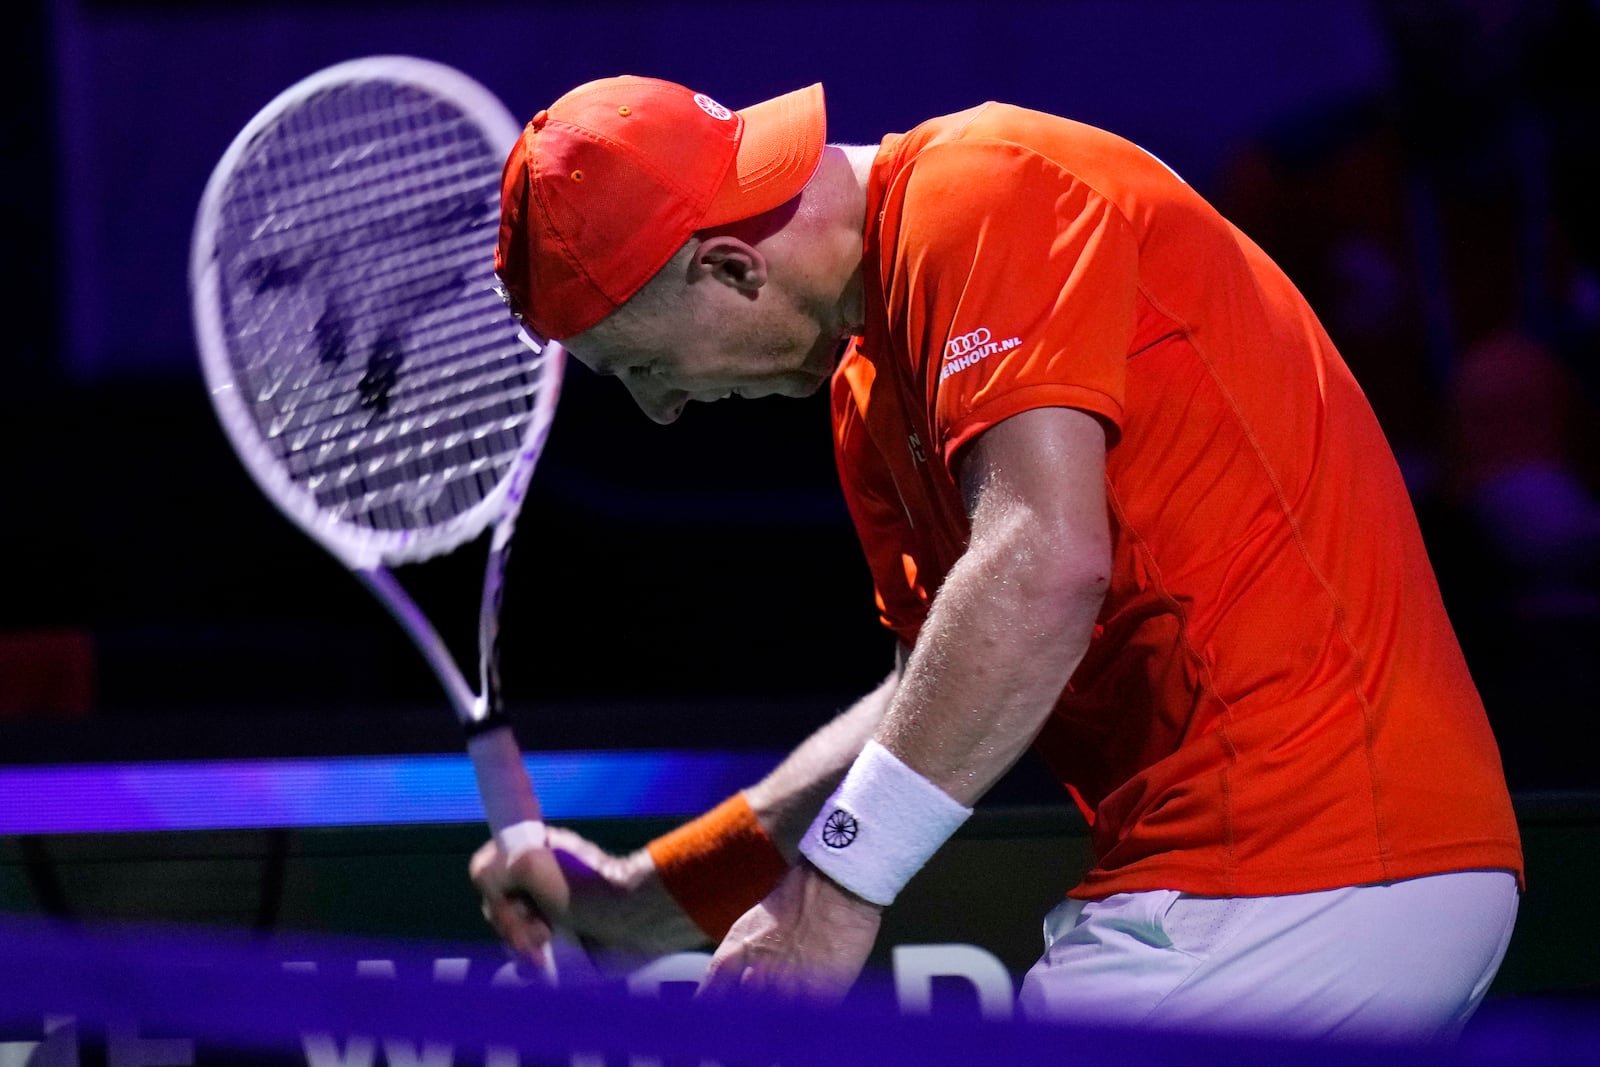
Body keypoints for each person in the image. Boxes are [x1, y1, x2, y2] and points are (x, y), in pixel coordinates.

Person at [473, 75, 1524, 1043]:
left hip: (1301, 869)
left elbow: (1045, 567)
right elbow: (932, 699)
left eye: (648, 364)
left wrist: (832, 893)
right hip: (1279, 886)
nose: (661, 410)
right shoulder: (865, 389)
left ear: (731, 265)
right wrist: (648, 900)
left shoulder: (982, 192)